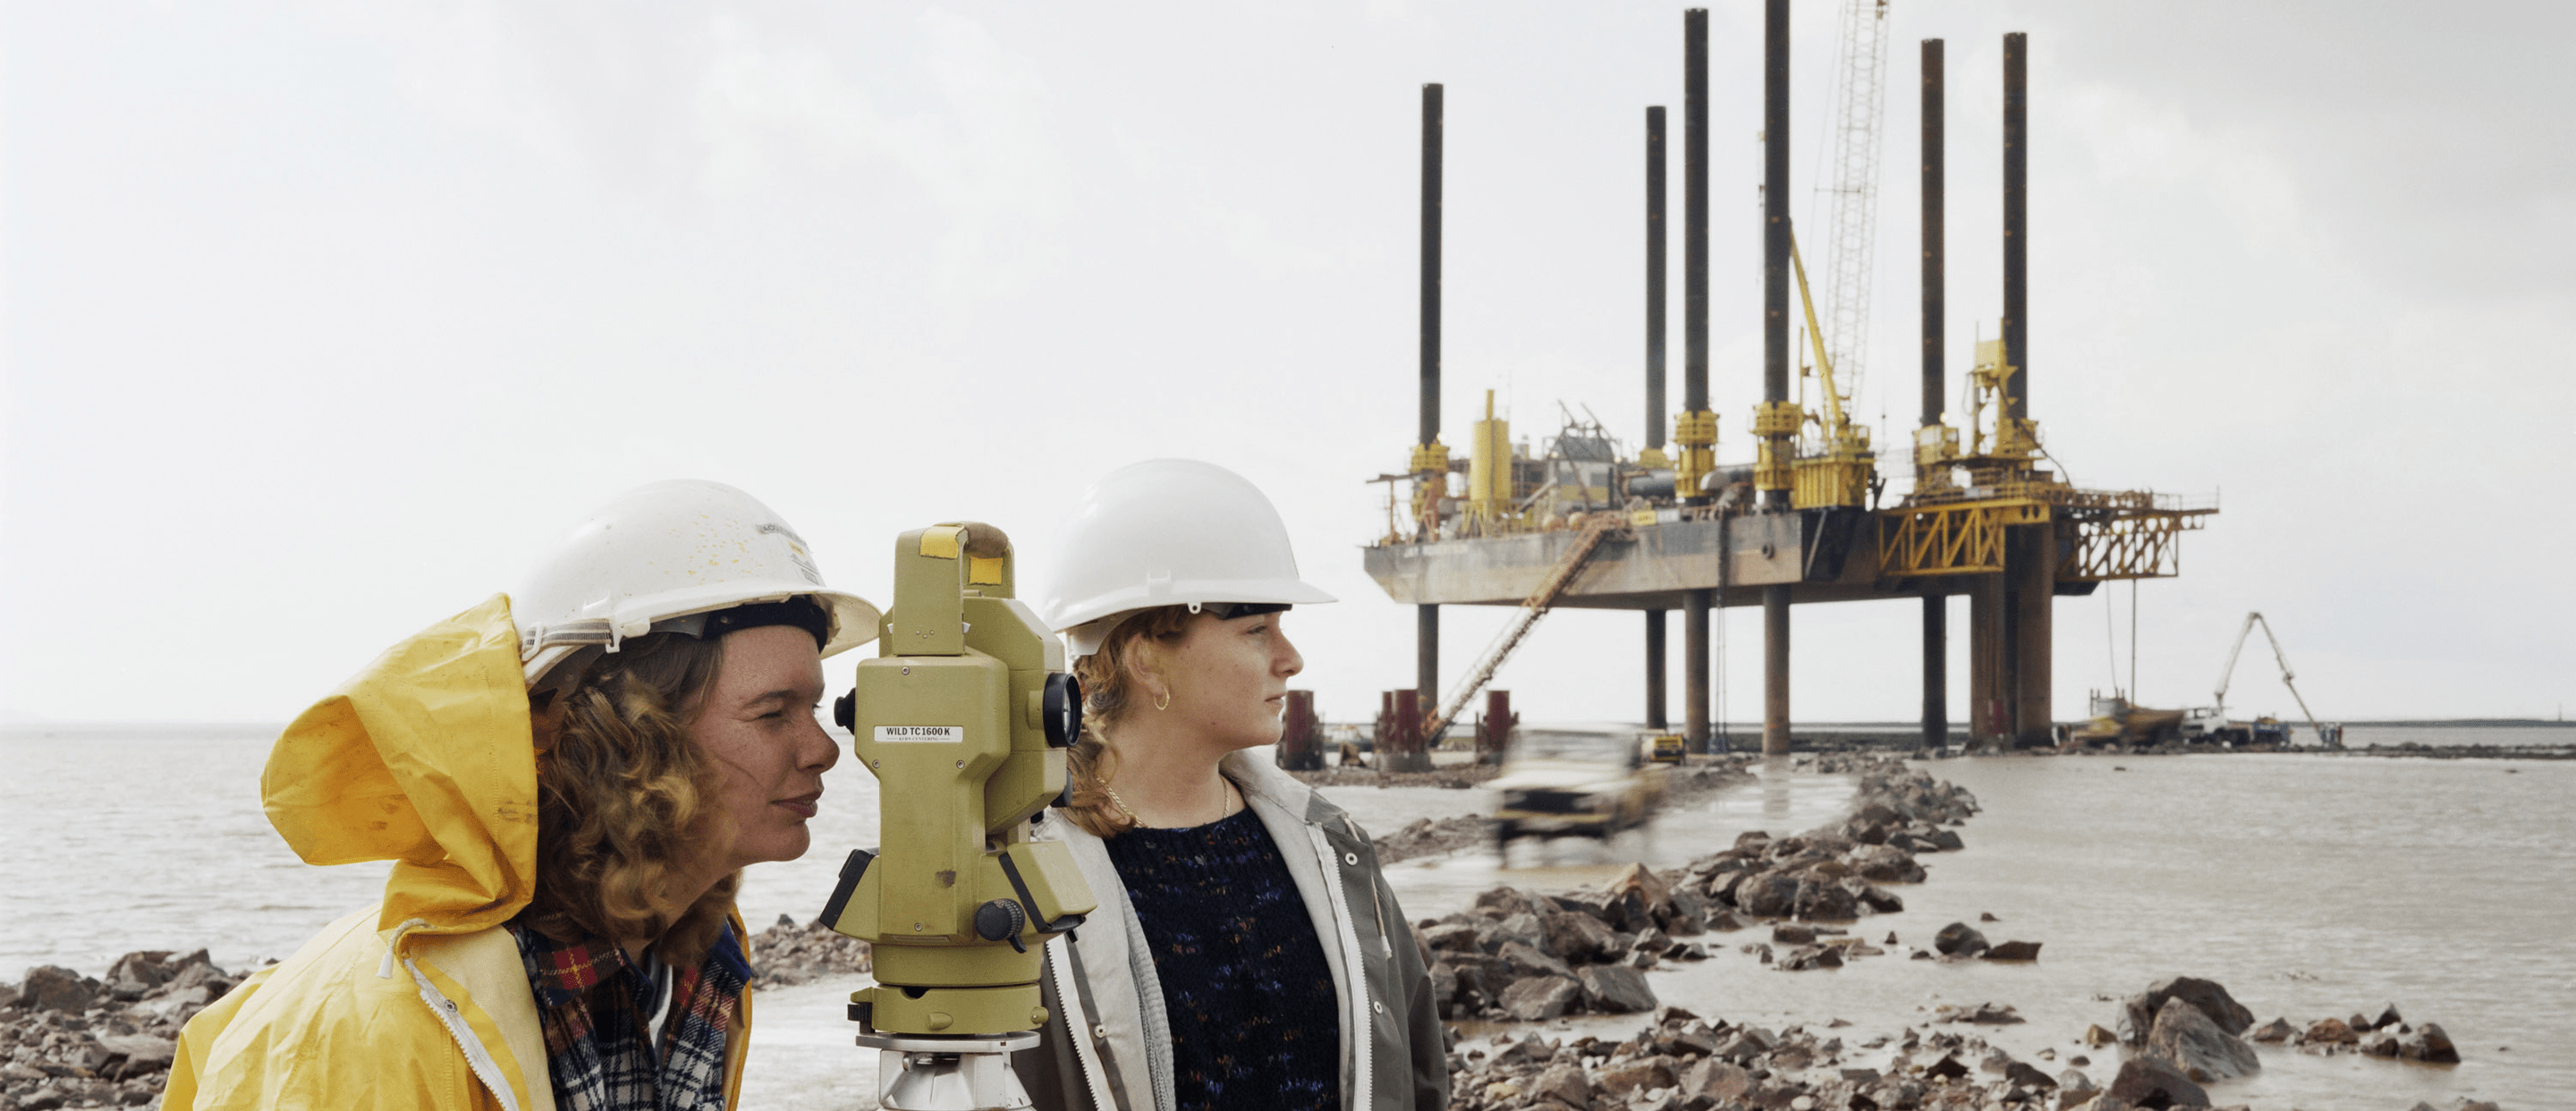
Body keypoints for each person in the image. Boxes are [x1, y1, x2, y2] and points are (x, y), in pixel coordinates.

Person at [166, 480, 881, 1110]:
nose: (822, 749)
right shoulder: (389, 1024)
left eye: (815, 709)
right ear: (629, 736)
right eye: (772, 713)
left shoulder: (692, 960)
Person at [1013, 459, 1447, 1111]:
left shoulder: (1333, 847)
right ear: (1146, 658)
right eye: (1256, 630)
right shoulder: (1026, 880)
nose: (1291, 659)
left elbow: (1417, 1076)